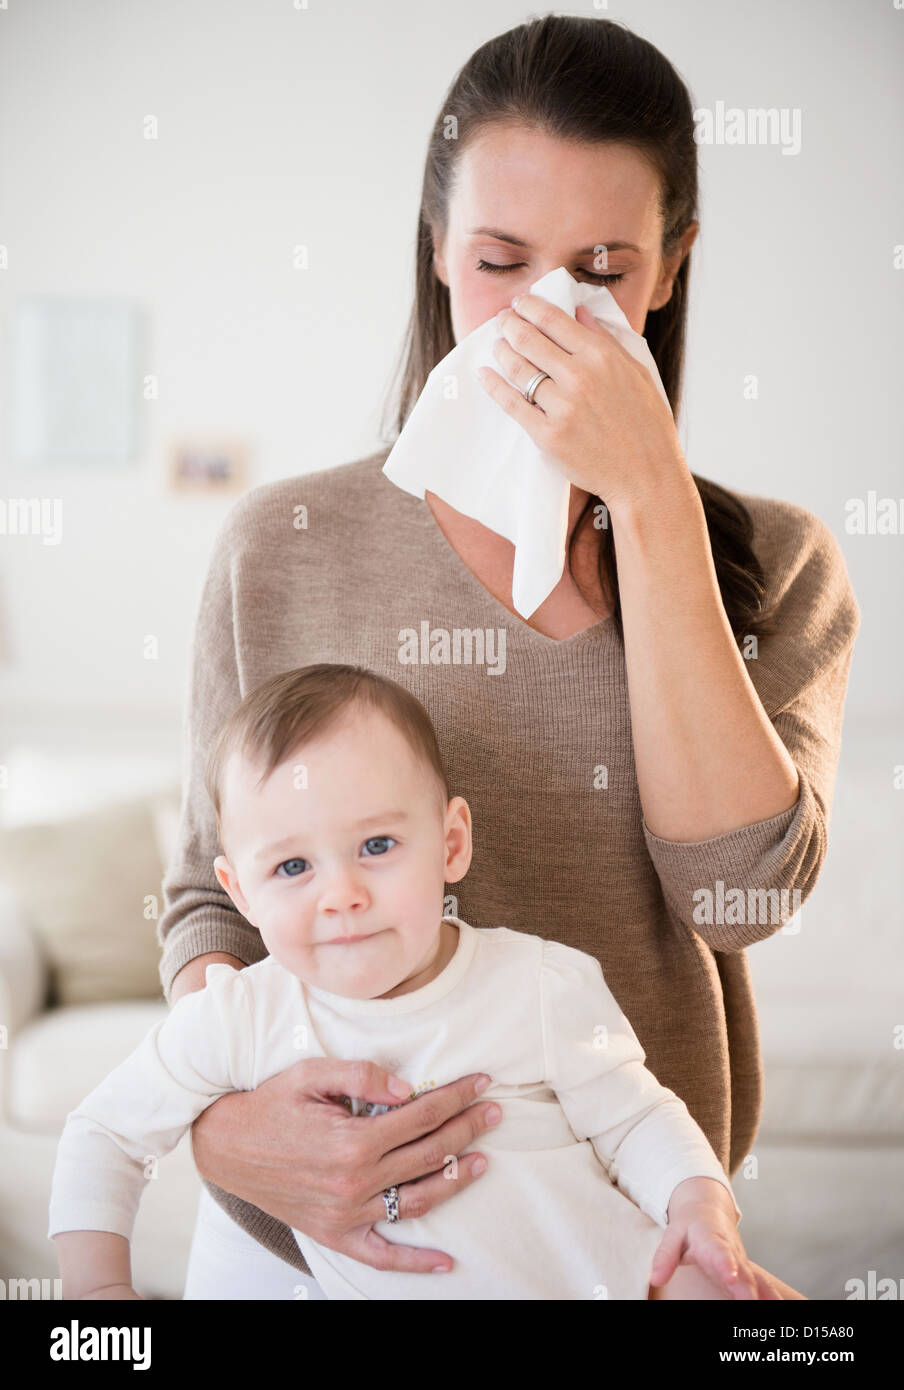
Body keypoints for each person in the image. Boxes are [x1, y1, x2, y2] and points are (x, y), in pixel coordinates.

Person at [153, 16, 859, 1299]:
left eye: (600, 267)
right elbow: (212, 895)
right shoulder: (284, 547)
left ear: (671, 266)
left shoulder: (780, 562)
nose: (545, 311)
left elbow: (738, 900)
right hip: (311, 1245)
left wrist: (648, 505)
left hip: (619, 1240)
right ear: (435, 252)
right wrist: (232, 1128)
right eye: (498, 261)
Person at [51, 665, 807, 1300]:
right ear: (239, 893)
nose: (340, 894)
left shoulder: (537, 982)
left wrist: (699, 1202)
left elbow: (636, 1119)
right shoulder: (238, 1019)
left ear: (450, 843)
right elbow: (103, 1136)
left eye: (376, 845)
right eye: (292, 867)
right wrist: (100, 1298)